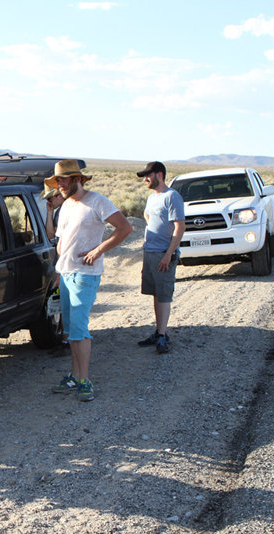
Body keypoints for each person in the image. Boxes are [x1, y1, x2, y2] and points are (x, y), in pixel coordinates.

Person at [50, 160, 133, 401]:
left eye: (64, 179)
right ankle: (75, 376)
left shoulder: (97, 201)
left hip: (85, 275)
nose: (61, 184)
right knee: (70, 330)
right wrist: (58, 272)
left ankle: (85, 381)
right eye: (58, 180)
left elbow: (125, 228)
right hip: (65, 273)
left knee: (78, 329)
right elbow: (62, 243)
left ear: (78, 179)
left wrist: (98, 251)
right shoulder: (65, 206)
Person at [135, 161, 185, 353]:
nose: (146, 179)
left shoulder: (172, 196)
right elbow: (148, 215)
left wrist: (168, 254)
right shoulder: (152, 197)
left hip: (164, 254)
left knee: (163, 295)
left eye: (148, 175)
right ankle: (159, 331)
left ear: (160, 175)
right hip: (150, 252)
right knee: (155, 293)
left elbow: (180, 227)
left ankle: (162, 337)